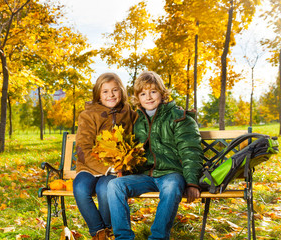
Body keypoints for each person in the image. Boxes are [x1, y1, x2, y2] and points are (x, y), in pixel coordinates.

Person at [107, 71, 203, 240]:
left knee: (171, 187)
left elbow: (190, 152)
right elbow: (131, 151)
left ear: (162, 93)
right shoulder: (136, 121)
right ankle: (123, 237)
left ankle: (158, 237)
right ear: (138, 98)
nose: (148, 97)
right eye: (143, 93)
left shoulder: (179, 118)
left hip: (172, 174)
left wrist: (192, 182)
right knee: (115, 185)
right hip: (145, 175)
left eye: (153, 91)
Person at [73, 72, 137, 240]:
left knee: (105, 189)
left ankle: (106, 230)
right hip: (89, 166)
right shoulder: (88, 115)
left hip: (117, 168)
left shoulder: (128, 112)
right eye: (105, 91)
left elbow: (149, 117)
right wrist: (106, 168)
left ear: (122, 91)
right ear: (98, 95)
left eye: (115, 90)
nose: (111, 95)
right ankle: (98, 232)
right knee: (80, 189)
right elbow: (82, 148)